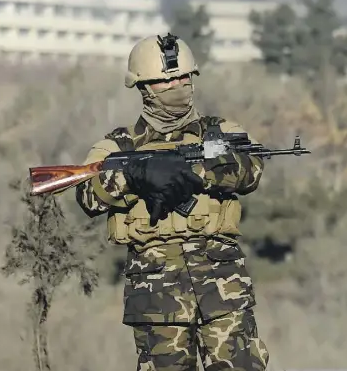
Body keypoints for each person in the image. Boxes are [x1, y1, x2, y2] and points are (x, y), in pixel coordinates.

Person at [75, 33, 269, 371]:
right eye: (166, 81)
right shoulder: (118, 145)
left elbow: (250, 170)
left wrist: (194, 170)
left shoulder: (221, 131)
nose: (177, 85)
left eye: (183, 77)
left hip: (223, 286)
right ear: (144, 88)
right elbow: (88, 196)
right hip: (155, 295)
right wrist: (135, 175)